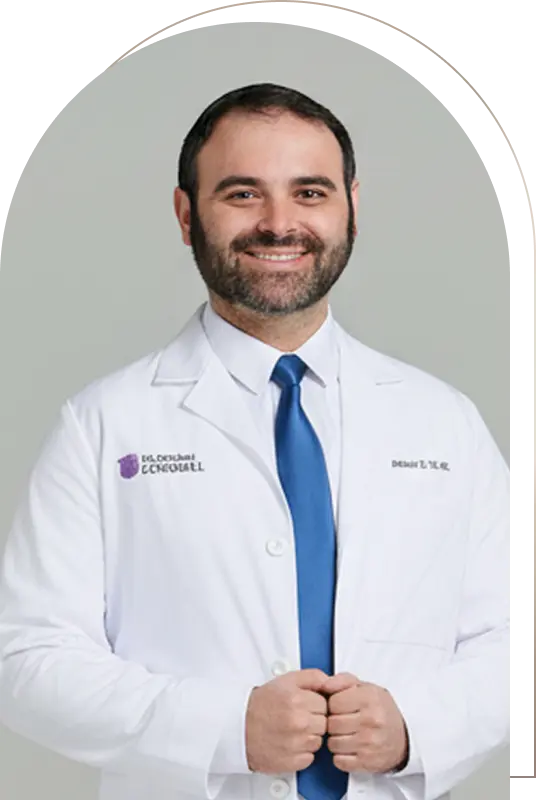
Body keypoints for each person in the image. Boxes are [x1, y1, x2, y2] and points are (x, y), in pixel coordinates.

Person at [0, 83, 511, 800]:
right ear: (186, 215)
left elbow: (511, 645)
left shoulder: (443, 423)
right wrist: (224, 730)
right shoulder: (102, 425)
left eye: (310, 193)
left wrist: (417, 727)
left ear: (351, 208)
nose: (279, 224)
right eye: (242, 194)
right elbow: (27, 660)